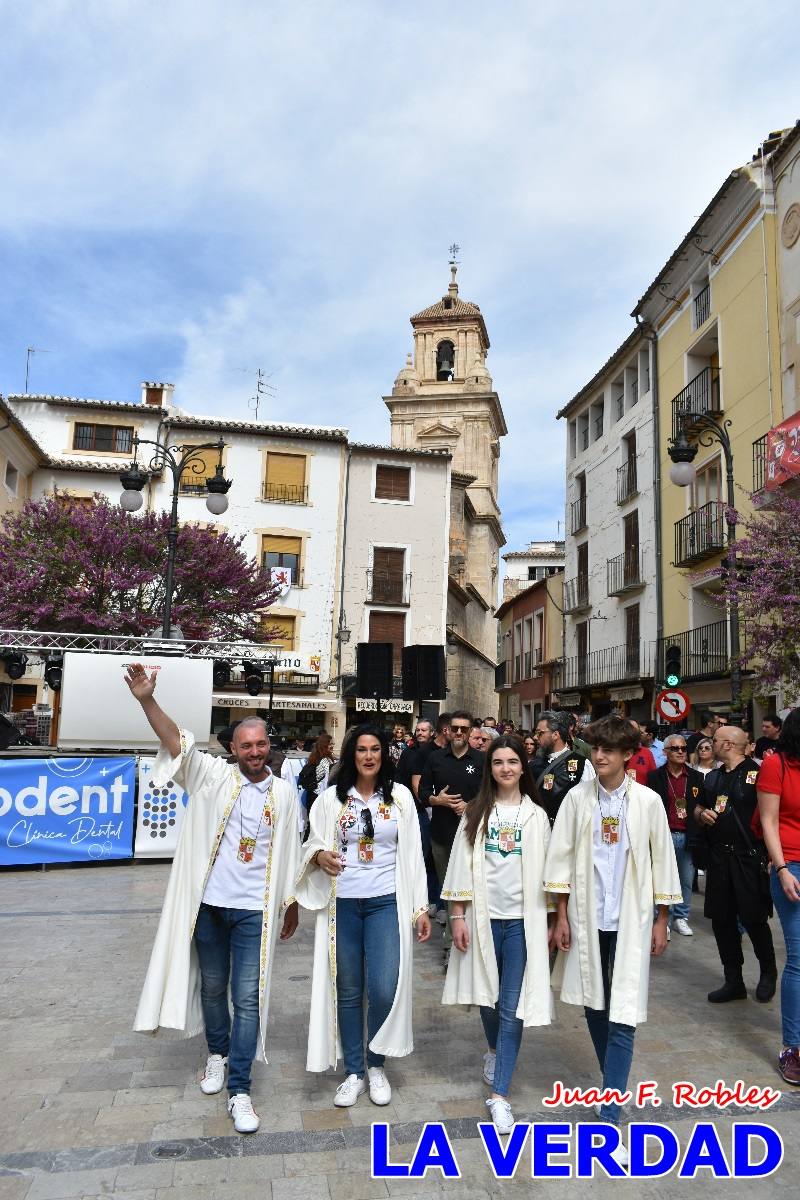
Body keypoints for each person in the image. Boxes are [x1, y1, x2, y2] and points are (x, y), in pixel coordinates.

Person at [126, 665, 300, 1134]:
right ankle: (218, 1056)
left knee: (247, 996)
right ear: (233, 748)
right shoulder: (211, 777)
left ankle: (240, 1088)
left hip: (253, 913)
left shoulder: (285, 794)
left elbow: (290, 853)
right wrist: (147, 700)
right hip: (209, 908)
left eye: (261, 744)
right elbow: (177, 742)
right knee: (212, 988)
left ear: (270, 745)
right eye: (246, 746)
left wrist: (292, 902)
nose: (255, 752)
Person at [545, 715, 681, 1167]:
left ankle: (610, 1110)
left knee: (622, 1008)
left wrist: (662, 919)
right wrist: (560, 914)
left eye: (608, 750)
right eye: (595, 748)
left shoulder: (647, 802)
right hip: (586, 913)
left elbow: (662, 858)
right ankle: (613, 1081)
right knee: (593, 1001)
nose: (599, 756)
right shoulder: (576, 799)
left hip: (631, 916)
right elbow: (560, 857)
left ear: (627, 755)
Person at [295, 723, 430, 1106]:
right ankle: (354, 1070)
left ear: (384, 754)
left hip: (387, 901)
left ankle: (376, 1063)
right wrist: (320, 856)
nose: (369, 756)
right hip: (344, 904)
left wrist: (420, 907)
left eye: (375, 749)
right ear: (351, 755)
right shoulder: (331, 800)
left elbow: (414, 855)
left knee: (385, 987)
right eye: (361, 750)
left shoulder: (400, 797)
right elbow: (312, 844)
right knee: (349, 989)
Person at [442, 735, 553, 1133]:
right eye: (498, 762)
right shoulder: (476, 812)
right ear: (490, 769)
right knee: (487, 1000)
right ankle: (493, 1049)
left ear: (524, 767)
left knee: (511, 1008)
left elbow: (550, 873)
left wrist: (556, 920)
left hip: (522, 925)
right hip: (483, 921)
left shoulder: (537, 817)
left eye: (512, 761)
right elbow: (458, 865)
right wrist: (457, 915)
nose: (506, 768)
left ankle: (500, 1095)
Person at [695, 725, 777, 1003]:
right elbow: (697, 805)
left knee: (754, 918)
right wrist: (700, 813)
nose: (711, 744)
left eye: (715, 741)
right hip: (719, 858)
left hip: (748, 857)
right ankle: (734, 980)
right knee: (722, 920)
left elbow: (772, 816)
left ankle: (768, 973)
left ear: (728, 745)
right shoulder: (713, 778)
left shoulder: (759, 773)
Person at [419, 710, 485, 961]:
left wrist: (471, 806)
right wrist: (437, 800)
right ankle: (450, 947)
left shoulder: (481, 760)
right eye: (454, 728)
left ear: (470, 732)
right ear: (447, 730)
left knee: (473, 890)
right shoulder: (435, 759)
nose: (458, 733)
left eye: (464, 729)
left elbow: (491, 794)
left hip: (473, 836)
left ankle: (474, 942)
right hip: (442, 836)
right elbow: (423, 791)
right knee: (449, 892)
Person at [757, 709, 800, 1084]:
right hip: (792, 866)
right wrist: (782, 866)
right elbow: (769, 820)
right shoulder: (775, 765)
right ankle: (792, 1047)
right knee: (799, 957)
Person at [647, 734, 705, 936]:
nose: (680, 751)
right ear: (665, 752)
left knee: (686, 880)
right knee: (662, 877)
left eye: (683, 748)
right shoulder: (655, 777)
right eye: (675, 748)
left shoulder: (697, 777)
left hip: (688, 834)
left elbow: (701, 806)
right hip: (665, 834)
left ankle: (681, 917)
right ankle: (663, 919)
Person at [531, 710, 594, 826]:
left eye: (540, 733)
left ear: (555, 735)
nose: (535, 737)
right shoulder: (533, 765)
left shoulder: (581, 764)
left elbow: (589, 805)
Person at [298, 732, 336, 824]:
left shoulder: (315, 757)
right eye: (330, 744)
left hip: (311, 794)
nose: (332, 746)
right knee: (319, 825)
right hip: (319, 797)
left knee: (311, 824)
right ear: (324, 745)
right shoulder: (325, 760)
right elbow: (330, 779)